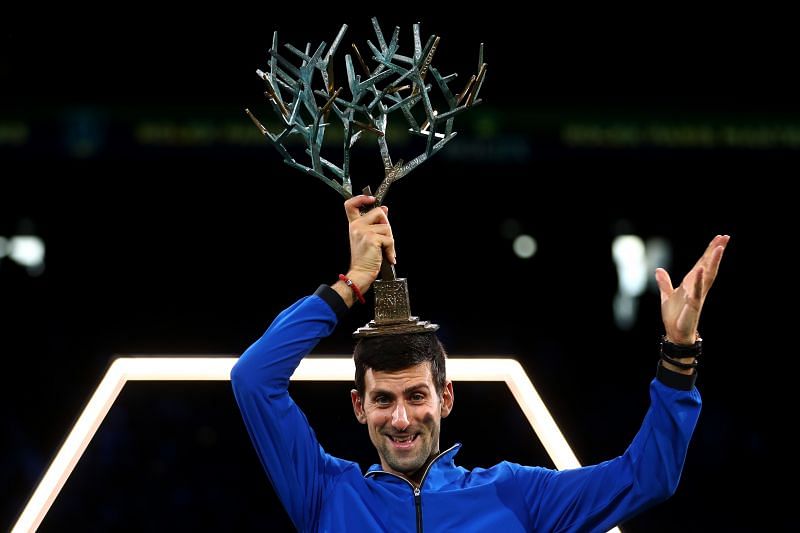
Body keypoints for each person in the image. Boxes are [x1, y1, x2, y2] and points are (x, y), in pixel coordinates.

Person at [231, 194, 729, 532]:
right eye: (383, 399)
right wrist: (352, 284)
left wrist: (680, 352)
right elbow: (254, 378)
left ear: (446, 397)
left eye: (416, 395)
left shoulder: (515, 493)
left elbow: (647, 478)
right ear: (359, 406)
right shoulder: (323, 493)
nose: (401, 419)